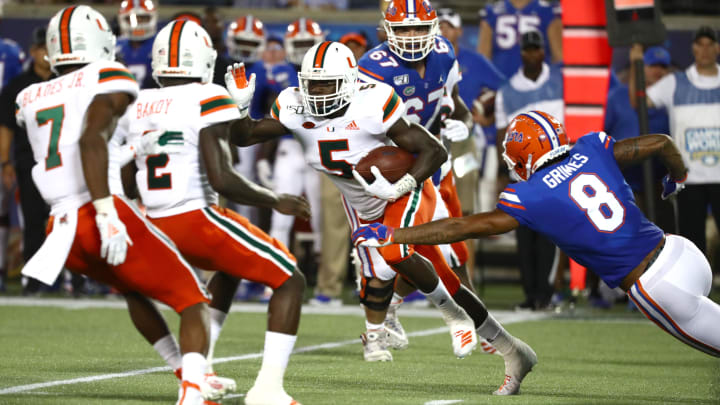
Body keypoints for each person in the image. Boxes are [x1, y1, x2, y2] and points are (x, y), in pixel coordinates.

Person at [224, 41, 537, 394]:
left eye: (327, 84)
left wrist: (401, 184)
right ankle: (511, 348)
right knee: (412, 275)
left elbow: (432, 150)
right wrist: (239, 106)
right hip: (359, 199)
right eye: (312, 83)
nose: (318, 92)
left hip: (403, 189)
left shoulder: (373, 102)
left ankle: (451, 315)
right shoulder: (294, 105)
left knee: (394, 253)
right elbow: (245, 136)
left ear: (349, 81)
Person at [353, 110, 720, 359]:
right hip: (681, 252)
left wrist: (394, 234)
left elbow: (459, 227)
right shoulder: (591, 148)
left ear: (522, 158)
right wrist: (678, 176)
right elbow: (662, 142)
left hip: (655, 285)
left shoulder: (530, 194)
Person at [15, 6, 212, 404]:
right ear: (102, 41)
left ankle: (185, 373)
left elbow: (76, 148)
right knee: (193, 298)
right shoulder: (108, 75)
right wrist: (107, 214)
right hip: (98, 211)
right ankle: (195, 392)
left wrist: (133, 149)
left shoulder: (28, 96)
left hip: (60, 229)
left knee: (133, 291)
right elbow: (90, 141)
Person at [116, 20, 309, 405]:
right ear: (204, 58)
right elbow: (223, 175)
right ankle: (268, 389)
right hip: (193, 218)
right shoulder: (207, 94)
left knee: (230, 269)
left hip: (151, 222)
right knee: (290, 279)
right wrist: (274, 200)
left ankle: (200, 371)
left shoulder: (135, 104)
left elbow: (127, 173)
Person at [358, 0, 478, 351]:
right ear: (387, 31)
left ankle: (392, 308)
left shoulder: (444, 53)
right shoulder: (371, 68)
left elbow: (457, 103)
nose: (411, 37)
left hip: (436, 162)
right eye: (403, 29)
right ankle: (386, 315)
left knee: (444, 248)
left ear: (434, 28)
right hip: (395, 166)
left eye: (418, 29)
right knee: (418, 248)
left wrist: (464, 125)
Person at [629, 27, 720, 262]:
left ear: (717, 48)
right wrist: (635, 64)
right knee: (692, 246)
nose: (705, 49)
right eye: (700, 44)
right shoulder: (674, 83)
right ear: (693, 49)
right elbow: (637, 102)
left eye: (710, 44)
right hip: (689, 178)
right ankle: (696, 294)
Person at [437, 7, 507, 282]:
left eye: (448, 26)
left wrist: (485, 114)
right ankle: (429, 282)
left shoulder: (473, 60)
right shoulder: (422, 58)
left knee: (464, 210)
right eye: (439, 25)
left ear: (458, 31)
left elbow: (503, 88)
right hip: (429, 142)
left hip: (464, 144)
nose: (443, 31)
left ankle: (465, 280)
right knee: (426, 211)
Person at [495, 30, 562, 311]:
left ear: (543, 51)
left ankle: (545, 295)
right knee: (524, 238)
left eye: (536, 49)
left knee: (549, 236)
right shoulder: (507, 91)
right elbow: (502, 133)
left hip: (555, 171)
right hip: (521, 175)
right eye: (527, 50)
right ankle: (530, 294)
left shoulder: (561, 82)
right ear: (521, 53)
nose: (532, 54)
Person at [0, 27, 48, 293]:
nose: (46, 54)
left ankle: (70, 278)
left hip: (60, 162)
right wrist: (6, 162)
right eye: (42, 49)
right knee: (31, 222)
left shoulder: (65, 81)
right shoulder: (18, 86)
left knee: (61, 222)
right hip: (28, 161)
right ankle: (33, 278)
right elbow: (6, 125)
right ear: (32, 51)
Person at [478, 0, 562, 78]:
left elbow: (559, 57)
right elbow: (483, 58)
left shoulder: (548, 11)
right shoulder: (492, 12)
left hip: (538, 86)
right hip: (501, 85)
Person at [116, 0, 157, 89]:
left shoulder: (160, 44)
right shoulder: (115, 47)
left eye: (143, 18)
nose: (138, 23)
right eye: (132, 19)